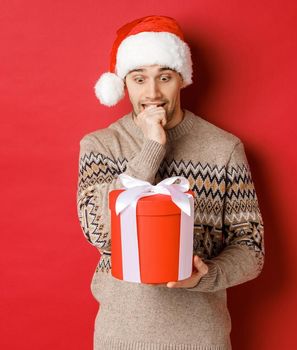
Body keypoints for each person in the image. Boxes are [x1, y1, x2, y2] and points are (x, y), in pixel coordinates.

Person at [76, 15, 265, 349]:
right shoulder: (101, 146)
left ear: (181, 79)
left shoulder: (224, 149)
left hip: (200, 338)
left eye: (164, 77)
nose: (152, 93)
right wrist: (152, 148)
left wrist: (206, 276)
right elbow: (97, 230)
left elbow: (250, 248)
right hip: (120, 339)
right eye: (139, 79)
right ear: (123, 84)